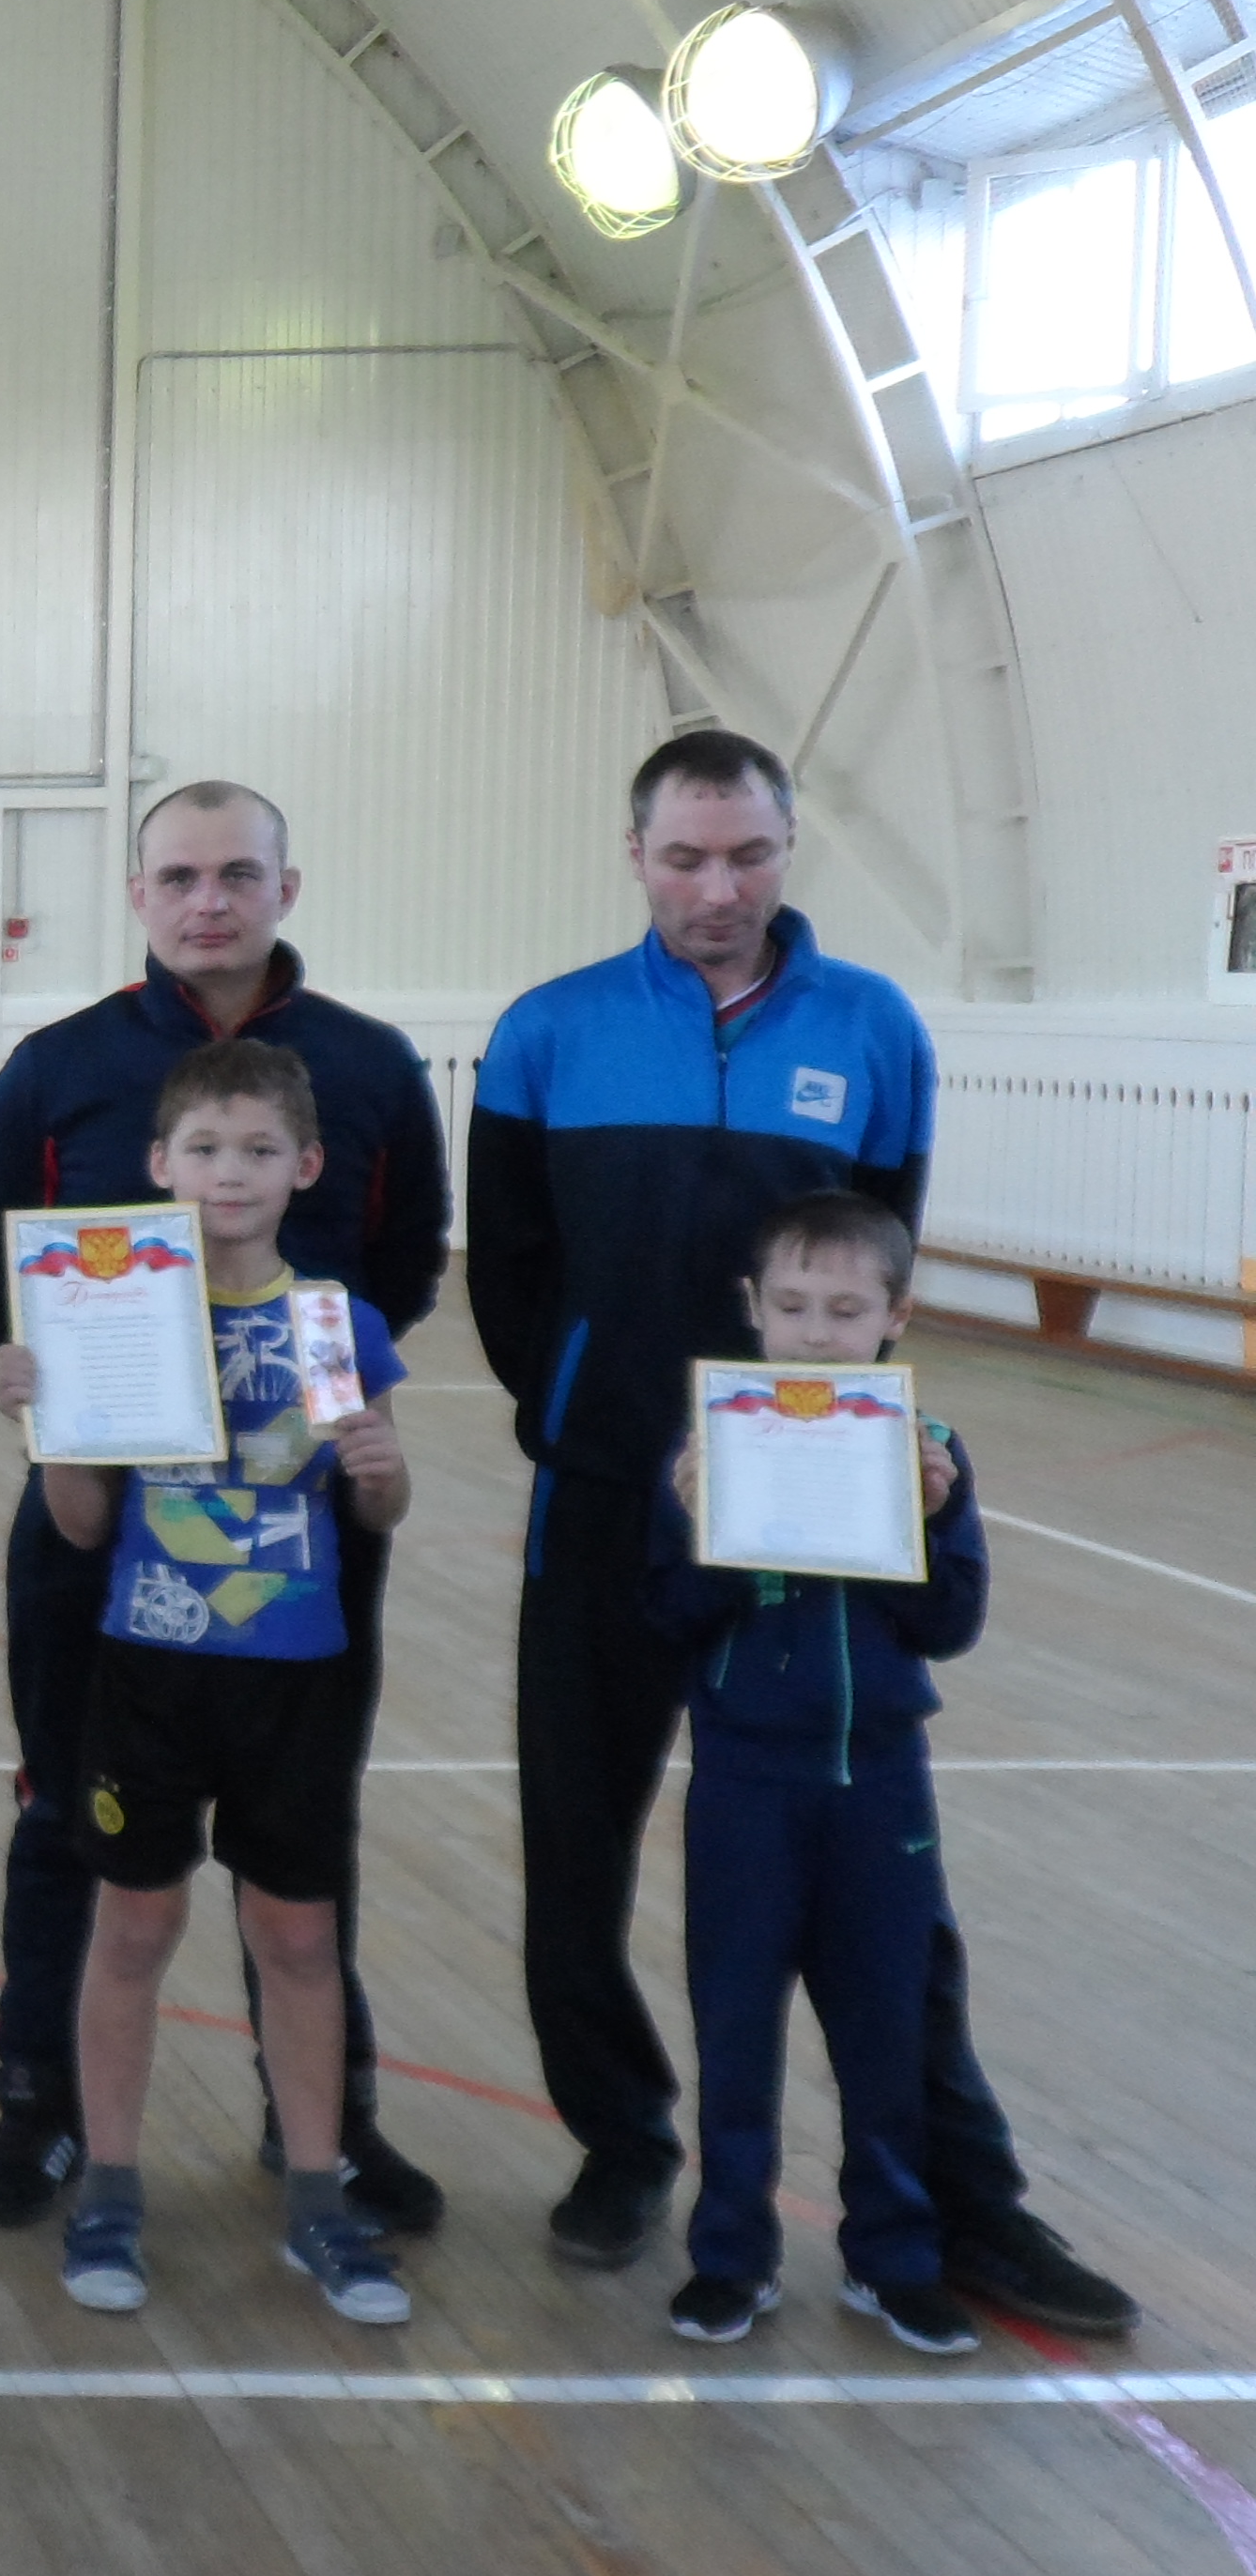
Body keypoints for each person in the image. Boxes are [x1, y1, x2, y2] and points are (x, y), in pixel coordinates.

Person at [467, 729, 1128, 2330]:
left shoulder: (872, 1027)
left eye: (747, 854)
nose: (718, 887)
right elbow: (510, 1268)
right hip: (608, 1504)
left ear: (786, 849)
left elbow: (871, 1258)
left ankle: (965, 2204)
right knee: (576, 1850)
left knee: (880, 1889)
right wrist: (597, 1419)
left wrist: (818, 1456)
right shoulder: (546, 1031)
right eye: (685, 857)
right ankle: (623, 2142)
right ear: (634, 854)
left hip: (821, 1514)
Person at [0, 781, 447, 2235]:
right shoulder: (58, 1069)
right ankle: (41, 2103)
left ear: (288, 887)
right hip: (103, 1524)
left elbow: (403, 1265)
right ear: (139, 894)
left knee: (301, 1841)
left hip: (301, 1533)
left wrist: (314, 1431)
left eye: (237, 874)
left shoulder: (368, 1067)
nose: (208, 901)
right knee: (70, 1809)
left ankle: (325, 2123)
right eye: (179, 876)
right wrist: (79, 1406)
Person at [0, 1043, 418, 2328]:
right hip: (149, 1672)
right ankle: (111, 2187)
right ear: (160, 1165)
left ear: (306, 1166)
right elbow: (82, 1527)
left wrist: (383, 1466)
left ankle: (318, 2194)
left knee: (297, 1938)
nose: (231, 1173)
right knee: (133, 1930)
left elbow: (377, 1506)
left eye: (258, 1150)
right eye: (206, 1150)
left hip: (296, 1680)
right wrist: (51, 1426)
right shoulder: (119, 1316)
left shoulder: (333, 1326)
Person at [645, 1193, 990, 2354]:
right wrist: (706, 1528)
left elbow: (950, 1625)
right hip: (744, 1789)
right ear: (753, 1308)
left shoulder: (929, 1449)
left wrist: (928, 1522)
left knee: (885, 2035)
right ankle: (730, 2256)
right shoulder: (707, 1443)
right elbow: (667, 1615)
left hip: (882, 1791)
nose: (816, 1332)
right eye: (793, 1306)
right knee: (736, 2032)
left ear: (896, 1316)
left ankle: (893, 2259)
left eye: (846, 1310)